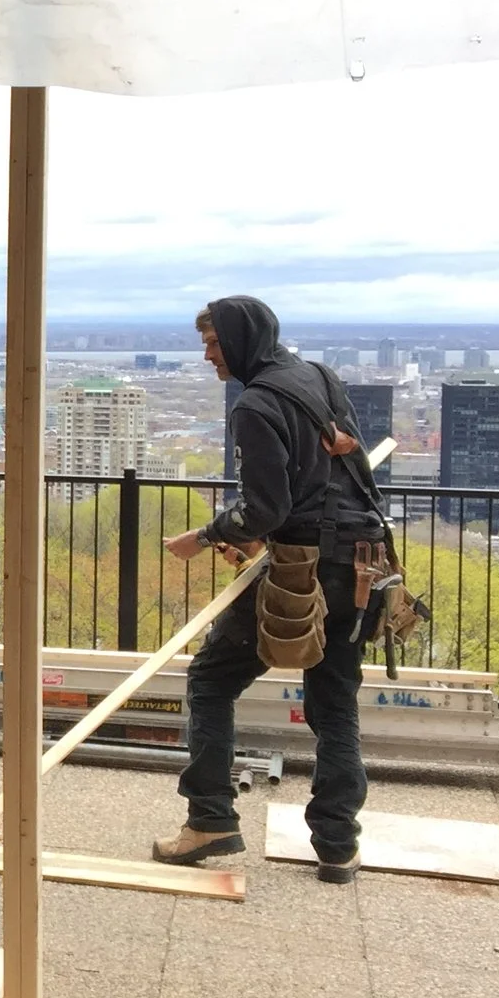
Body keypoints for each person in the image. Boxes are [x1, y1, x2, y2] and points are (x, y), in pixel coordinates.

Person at [156, 296, 386, 883]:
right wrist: (267, 529)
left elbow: (268, 506)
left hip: (303, 570)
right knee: (334, 704)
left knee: (210, 680)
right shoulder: (319, 378)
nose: (210, 357)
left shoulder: (255, 405)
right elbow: (348, 458)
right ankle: (338, 845)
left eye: (214, 344)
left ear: (241, 340)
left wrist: (207, 536)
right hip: (363, 562)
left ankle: (210, 819)